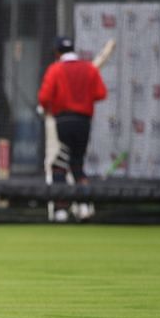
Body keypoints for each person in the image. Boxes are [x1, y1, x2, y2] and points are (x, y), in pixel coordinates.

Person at [37, 36, 107, 222]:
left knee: (59, 166)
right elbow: (100, 93)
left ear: (57, 52)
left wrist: (47, 108)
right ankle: (84, 207)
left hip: (64, 121)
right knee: (77, 164)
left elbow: (44, 97)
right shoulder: (89, 69)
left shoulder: (56, 69)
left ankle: (61, 210)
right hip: (84, 122)